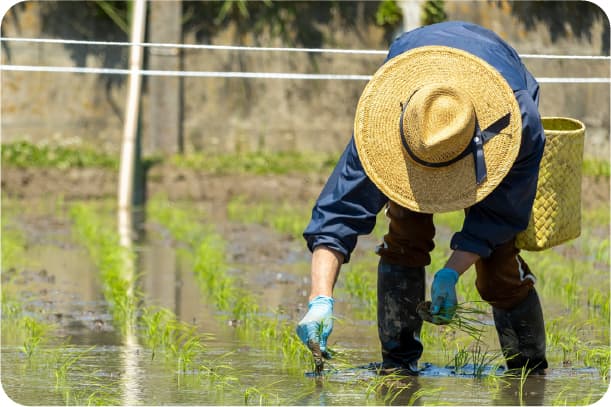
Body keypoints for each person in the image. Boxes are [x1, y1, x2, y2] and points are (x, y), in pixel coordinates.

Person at [295, 21, 548, 376]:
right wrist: (319, 298)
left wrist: (450, 272)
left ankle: (529, 371)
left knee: (498, 263)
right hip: (415, 65)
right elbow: (337, 215)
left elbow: (498, 217)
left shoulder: (518, 123)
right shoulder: (381, 127)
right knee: (405, 233)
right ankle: (397, 366)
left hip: (496, 92)